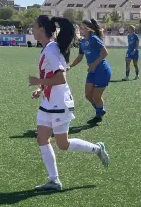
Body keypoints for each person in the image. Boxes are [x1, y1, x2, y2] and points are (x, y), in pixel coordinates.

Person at [28, 15, 109, 192]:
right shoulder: (49, 48)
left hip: (59, 103)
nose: (32, 30)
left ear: (41, 29)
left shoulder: (51, 50)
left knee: (62, 145)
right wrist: (41, 88)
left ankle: (96, 149)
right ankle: (54, 180)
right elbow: (52, 75)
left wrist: (37, 81)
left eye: (34, 26)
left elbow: (61, 77)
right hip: (48, 101)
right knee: (42, 138)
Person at [68, 18, 111, 122]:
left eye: (81, 28)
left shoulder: (94, 38)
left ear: (88, 29)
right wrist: (69, 66)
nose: (79, 30)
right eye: (79, 28)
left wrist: (94, 65)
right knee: (88, 95)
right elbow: (79, 58)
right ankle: (100, 109)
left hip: (102, 70)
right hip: (92, 71)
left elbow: (105, 53)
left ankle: (98, 115)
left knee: (96, 97)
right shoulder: (82, 42)